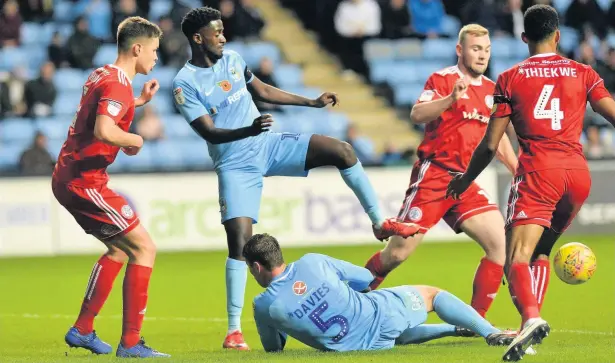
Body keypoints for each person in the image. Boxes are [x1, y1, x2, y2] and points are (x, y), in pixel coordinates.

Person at [172, 6, 420, 351]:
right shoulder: (184, 83)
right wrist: (248, 128)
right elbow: (209, 133)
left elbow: (263, 91)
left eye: (223, 31)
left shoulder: (232, 59)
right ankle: (233, 331)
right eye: (217, 33)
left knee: (343, 151)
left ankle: (379, 222)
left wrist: (311, 102)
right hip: (235, 165)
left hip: (268, 145)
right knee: (240, 243)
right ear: (198, 38)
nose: (224, 37)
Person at [446, 5, 615, 362]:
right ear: (558, 35)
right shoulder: (583, 71)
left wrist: (465, 180)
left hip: (539, 172)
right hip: (578, 176)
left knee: (514, 258)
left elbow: (491, 144)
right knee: (540, 252)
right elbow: (611, 113)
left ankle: (531, 317)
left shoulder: (509, 78)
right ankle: (531, 323)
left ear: (524, 38)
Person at [364, 24, 518, 322]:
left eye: (486, 50)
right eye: (476, 49)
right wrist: (451, 99)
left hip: (465, 182)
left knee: (499, 244)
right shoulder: (443, 79)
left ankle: (474, 321)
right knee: (397, 254)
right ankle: (353, 298)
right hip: (434, 176)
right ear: (460, 50)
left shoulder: (492, 91)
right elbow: (417, 114)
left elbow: (496, 140)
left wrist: (517, 171)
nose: (482, 55)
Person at [52, 17, 170, 358]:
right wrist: (136, 138)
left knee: (120, 250)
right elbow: (105, 128)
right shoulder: (117, 85)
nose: (156, 58)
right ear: (137, 48)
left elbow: (101, 112)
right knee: (145, 249)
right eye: (154, 51)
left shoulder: (103, 74)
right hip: (83, 181)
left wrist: (139, 102)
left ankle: (83, 330)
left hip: (73, 175)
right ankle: (130, 344)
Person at [245, 233, 515, 352]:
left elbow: (274, 348)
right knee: (432, 295)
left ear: (256, 267)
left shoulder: (263, 306)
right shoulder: (312, 261)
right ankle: (491, 333)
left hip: (353, 347)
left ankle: (455, 330)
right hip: (379, 316)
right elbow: (365, 278)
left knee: (391, 337)